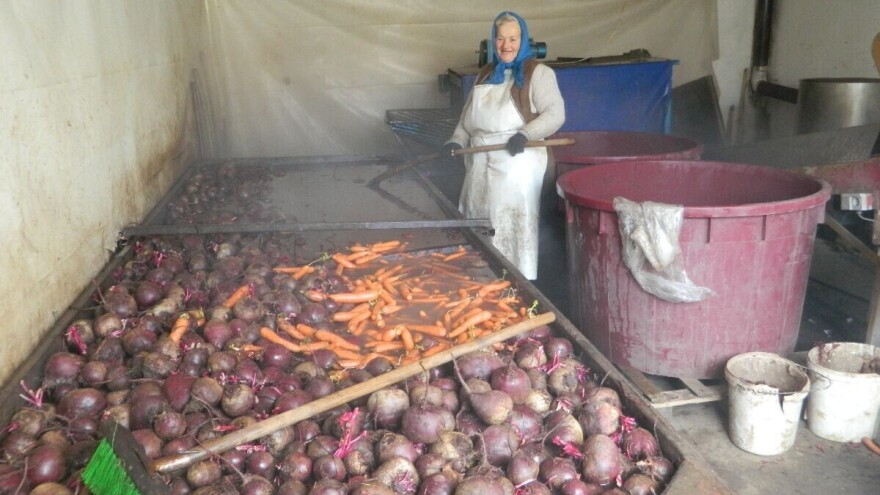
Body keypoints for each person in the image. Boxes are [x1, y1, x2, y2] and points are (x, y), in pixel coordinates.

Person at [442, 11, 565, 280]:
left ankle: (516, 284)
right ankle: (478, 281)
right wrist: (456, 141)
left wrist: (525, 134)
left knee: (509, 226)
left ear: (523, 41)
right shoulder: (485, 74)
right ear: (492, 41)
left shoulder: (539, 74)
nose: (506, 46)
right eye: (500, 39)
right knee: (476, 218)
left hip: (516, 161)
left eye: (513, 39)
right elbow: (467, 119)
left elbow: (555, 114)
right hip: (479, 160)